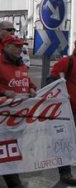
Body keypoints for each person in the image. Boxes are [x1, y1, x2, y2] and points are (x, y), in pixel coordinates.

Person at [0, 34, 36, 188]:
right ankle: (14, 183)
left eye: (21, 46)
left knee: (10, 148)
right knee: (7, 149)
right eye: (16, 46)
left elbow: (27, 80)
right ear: (6, 46)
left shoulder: (21, 64)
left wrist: (32, 88)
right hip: (0, 116)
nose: (20, 49)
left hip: (18, 116)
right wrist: (4, 92)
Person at [48, 41, 76, 185]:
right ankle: (65, 173)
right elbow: (51, 81)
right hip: (68, 111)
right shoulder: (67, 62)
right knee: (64, 142)